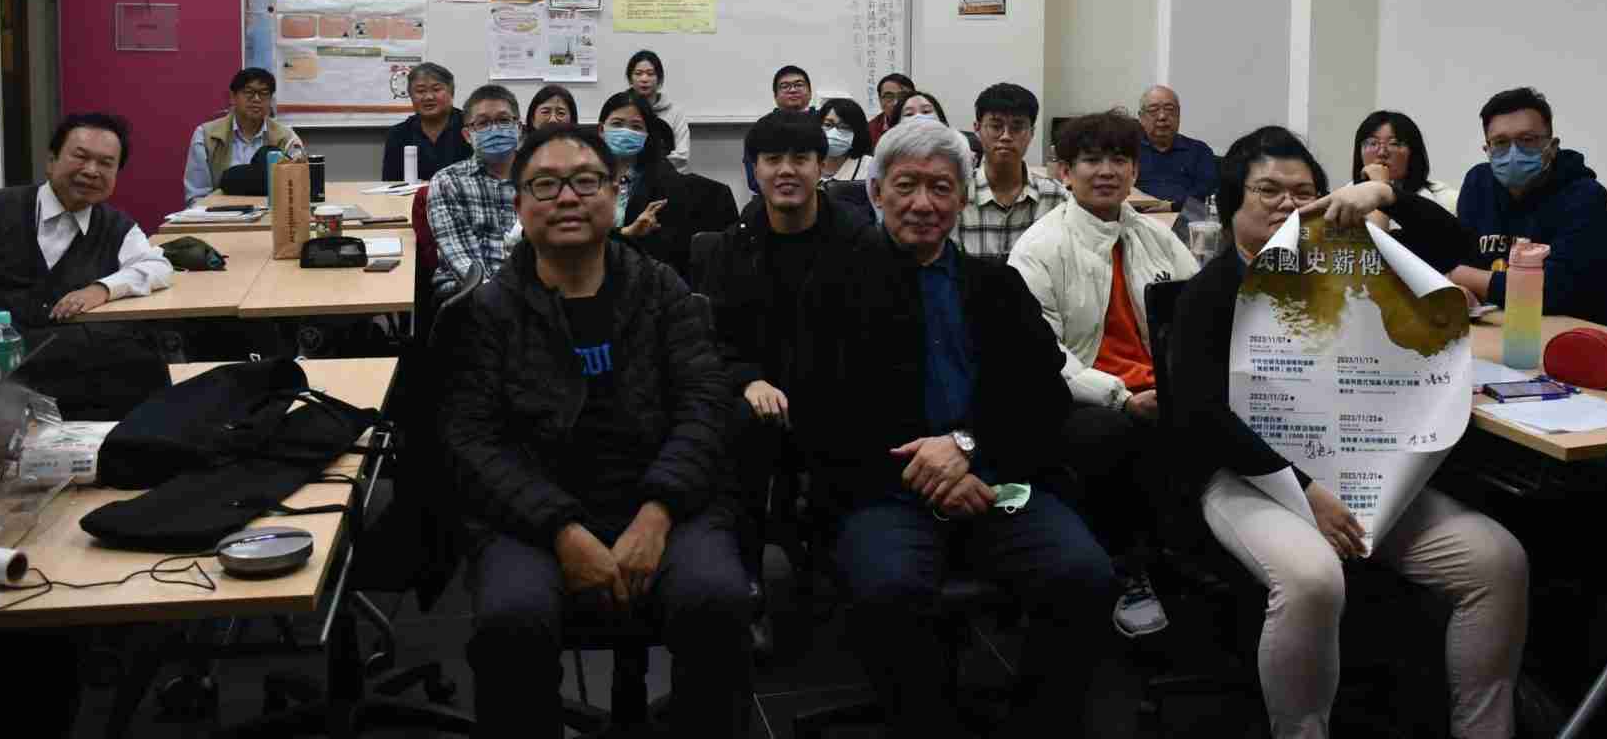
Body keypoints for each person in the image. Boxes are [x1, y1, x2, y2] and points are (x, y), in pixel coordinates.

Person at [1174, 126, 1528, 739]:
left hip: (1357, 473)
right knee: (1312, 579)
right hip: (1249, 478)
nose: (1286, 205)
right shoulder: (1212, 292)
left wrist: (1382, 195)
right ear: (1233, 204)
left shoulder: (1345, 265)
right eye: (1267, 191)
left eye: (1302, 192)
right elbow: (1202, 417)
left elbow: (1455, 245)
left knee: (1497, 561)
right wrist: (1305, 488)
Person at [789, 119, 1117, 737]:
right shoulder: (833, 285)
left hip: (999, 484)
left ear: (962, 199)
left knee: (1085, 576)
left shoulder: (997, 285)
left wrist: (968, 448)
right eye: (905, 185)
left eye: (940, 188)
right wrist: (934, 476)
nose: (923, 203)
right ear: (876, 192)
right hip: (884, 491)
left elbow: (1044, 398)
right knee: (889, 592)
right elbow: (819, 416)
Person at [438, 123, 750, 737]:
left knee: (716, 600)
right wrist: (563, 530)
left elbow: (705, 406)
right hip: (532, 516)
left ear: (616, 192)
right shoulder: (488, 310)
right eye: (545, 185)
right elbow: (471, 441)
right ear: (519, 203)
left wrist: (656, 514)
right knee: (511, 620)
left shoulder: (663, 291)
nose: (567, 198)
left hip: (666, 503)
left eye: (586, 182)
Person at [1007, 109, 1198, 638]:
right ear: (1065, 172)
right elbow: (1043, 354)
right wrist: (1120, 396)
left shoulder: (1159, 238)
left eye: (1119, 159)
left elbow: (1196, 318)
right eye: (1091, 160)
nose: (1107, 171)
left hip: (1159, 388)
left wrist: (1180, 385)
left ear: (1135, 171)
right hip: (1082, 396)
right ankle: (1125, 564)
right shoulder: (1039, 247)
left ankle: (1190, 553)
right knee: (1110, 435)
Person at [703, 110, 871, 645]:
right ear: (754, 170)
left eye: (801, 158)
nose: (786, 170)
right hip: (760, 395)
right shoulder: (734, 244)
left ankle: (834, 565)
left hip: (837, 389)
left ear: (821, 166)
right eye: (772, 159)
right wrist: (749, 379)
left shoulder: (859, 241)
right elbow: (714, 339)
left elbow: (871, 335)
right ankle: (746, 580)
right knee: (740, 428)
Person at [0, 113, 174, 343]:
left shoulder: (118, 227)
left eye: (106, 163)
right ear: (51, 161)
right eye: (81, 157)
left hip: (76, 359)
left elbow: (157, 267)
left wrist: (102, 290)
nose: (91, 171)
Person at [1452, 87, 1607, 330]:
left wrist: (1460, 275)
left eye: (1527, 140)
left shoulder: (1587, 197)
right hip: (1499, 326)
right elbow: (1459, 257)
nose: (1513, 153)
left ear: (1552, 146)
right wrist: (1462, 287)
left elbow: (1552, 291)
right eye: (1501, 143)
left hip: (1574, 334)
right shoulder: (1478, 183)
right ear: (1487, 150)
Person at [601, 90, 739, 281]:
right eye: (617, 124)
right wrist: (627, 233)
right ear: (601, 130)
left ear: (647, 135)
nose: (626, 132)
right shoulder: (584, 178)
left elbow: (665, 254)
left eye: (636, 127)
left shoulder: (666, 185)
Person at [426, 84, 524, 297]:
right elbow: (462, 260)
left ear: (519, 127)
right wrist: (503, 301)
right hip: (469, 294)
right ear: (467, 135)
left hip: (532, 292)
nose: (495, 129)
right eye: (483, 123)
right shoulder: (448, 182)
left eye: (504, 120)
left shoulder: (538, 178)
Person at [957, 81, 1065, 257]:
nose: (1006, 136)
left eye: (1017, 127)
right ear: (977, 129)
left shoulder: (1056, 197)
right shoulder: (958, 194)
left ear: (1032, 133)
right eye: (996, 126)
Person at [181, 67, 305, 205]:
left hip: (271, 215)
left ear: (270, 99)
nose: (256, 99)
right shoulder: (206, 136)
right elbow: (197, 197)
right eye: (249, 92)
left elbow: (298, 190)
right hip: (217, 214)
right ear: (233, 97)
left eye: (264, 93)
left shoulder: (286, 137)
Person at [1350, 109, 1459, 220]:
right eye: (1372, 143)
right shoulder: (1347, 196)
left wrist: (1380, 189)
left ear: (1413, 153)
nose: (1382, 153)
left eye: (1394, 144)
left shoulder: (1447, 201)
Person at [381, 62, 468, 183]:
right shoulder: (398, 134)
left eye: (436, 89)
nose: (428, 97)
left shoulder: (471, 127)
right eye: (420, 91)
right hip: (412, 195)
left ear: (451, 92)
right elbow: (390, 183)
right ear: (411, 95)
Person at [1134, 84, 1217, 210]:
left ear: (1178, 114)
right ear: (1141, 117)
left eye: (1169, 109)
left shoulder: (1199, 151)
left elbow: (1207, 191)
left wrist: (1173, 206)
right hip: (1138, 216)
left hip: (1184, 216)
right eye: (1153, 110)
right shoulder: (1129, 150)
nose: (1162, 117)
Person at [743, 64, 815, 193]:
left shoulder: (825, 123)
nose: (792, 90)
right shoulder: (761, 129)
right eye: (785, 86)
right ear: (775, 96)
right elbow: (754, 180)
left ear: (810, 92)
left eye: (799, 85)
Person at [627, 50, 690, 170]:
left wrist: (653, 172)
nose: (644, 79)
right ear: (630, 79)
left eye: (650, 74)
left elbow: (681, 156)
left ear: (659, 79)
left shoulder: (675, 113)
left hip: (667, 176)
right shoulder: (621, 109)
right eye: (638, 73)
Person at [817, 97, 877, 224]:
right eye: (828, 125)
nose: (834, 132)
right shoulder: (808, 163)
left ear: (858, 132)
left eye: (844, 127)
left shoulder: (870, 167)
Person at [865, 71, 914, 145]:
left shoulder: (925, 125)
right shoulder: (869, 131)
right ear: (880, 100)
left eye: (902, 96)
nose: (896, 103)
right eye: (889, 97)